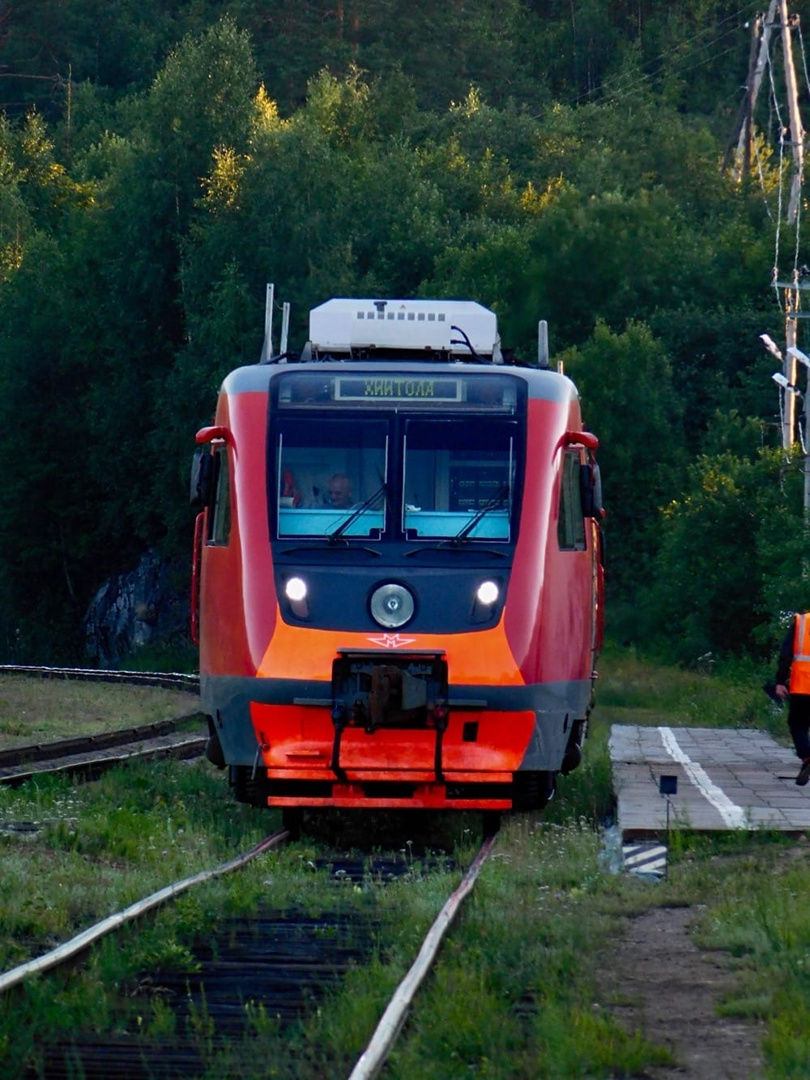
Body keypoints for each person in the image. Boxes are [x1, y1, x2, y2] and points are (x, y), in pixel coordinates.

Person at [774, 611, 810, 785]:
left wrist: (780, 681)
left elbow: (786, 653)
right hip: (801, 685)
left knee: (798, 724)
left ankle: (807, 757)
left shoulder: (802, 621)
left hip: (803, 685)